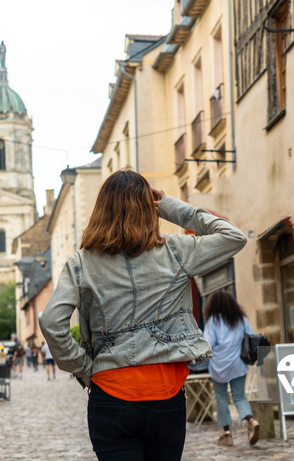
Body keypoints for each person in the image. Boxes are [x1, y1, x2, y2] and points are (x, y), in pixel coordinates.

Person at [39, 169, 247, 460]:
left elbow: (50, 322)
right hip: (165, 395)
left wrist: (84, 368)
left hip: (109, 395)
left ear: (101, 211)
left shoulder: (81, 263)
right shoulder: (176, 251)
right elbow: (233, 237)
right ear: (149, 209)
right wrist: (169, 205)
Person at [203, 290, 260, 447]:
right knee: (239, 397)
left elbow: (208, 342)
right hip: (238, 364)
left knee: (221, 398)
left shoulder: (214, 321)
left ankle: (227, 433)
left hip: (219, 365)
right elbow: (251, 336)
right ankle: (251, 420)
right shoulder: (240, 319)